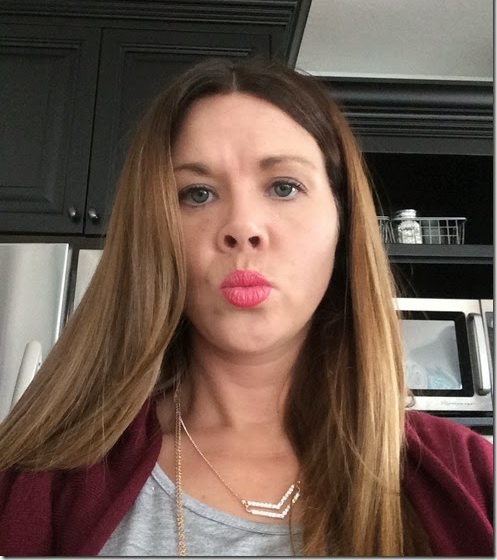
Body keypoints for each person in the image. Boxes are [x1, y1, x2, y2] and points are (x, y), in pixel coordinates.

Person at [0, 58, 492, 557]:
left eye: (284, 187)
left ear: (343, 222)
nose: (243, 226)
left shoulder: (474, 479)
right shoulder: (35, 484)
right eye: (197, 193)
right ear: (155, 232)